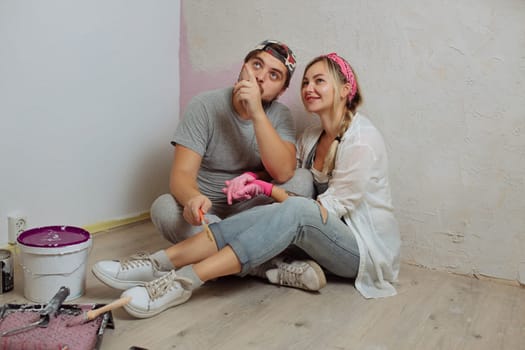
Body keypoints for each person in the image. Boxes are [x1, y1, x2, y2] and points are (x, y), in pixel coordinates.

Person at [92, 52, 400, 319]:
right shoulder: (311, 137)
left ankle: (181, 281)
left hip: (360, 250)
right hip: (315, 240)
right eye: (306, 82)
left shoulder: (362, 140)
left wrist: (264, 189)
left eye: (319, 81)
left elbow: (319, 211)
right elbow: (291, 199)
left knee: (295, 208)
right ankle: (162, 264)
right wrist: (256, 182)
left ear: (346, 89)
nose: (309, 88)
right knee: (285, 207)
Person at [150, 39, 314, 245]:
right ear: (243, 67)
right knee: (163, 208)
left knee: (303, 179)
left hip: (251, 209)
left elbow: (283, 173)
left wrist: (256, 111)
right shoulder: (204, 105)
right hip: (206, 208)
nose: (260, 77)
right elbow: (182, 174)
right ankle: (257, 259)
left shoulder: (281, 115)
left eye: (274, 75)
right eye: (256, 65)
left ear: (282, 90)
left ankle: (216, 248)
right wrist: (192, 199)